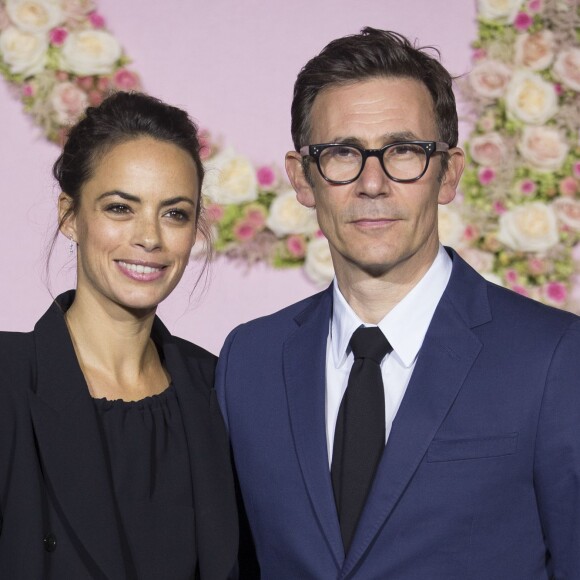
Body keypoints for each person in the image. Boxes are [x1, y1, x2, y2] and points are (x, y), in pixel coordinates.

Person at [216, 27, 580, 578]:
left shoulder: (552, 356)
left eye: (403, 151)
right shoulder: (250, 360)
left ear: (449, 172)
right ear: (303, 178)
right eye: (342, 153)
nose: (373, 182)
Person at [0, 92, 238, 579]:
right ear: (70, 216)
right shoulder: (6, 380)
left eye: (174, 213)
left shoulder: (219, 386)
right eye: (119, 208)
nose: (149, 236)